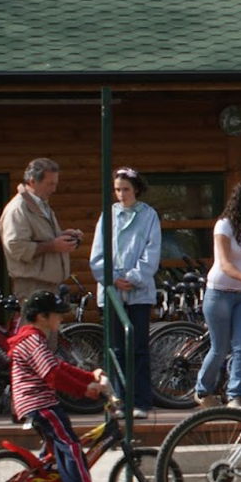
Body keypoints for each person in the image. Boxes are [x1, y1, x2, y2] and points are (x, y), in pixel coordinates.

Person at [9, 290, 111, 482]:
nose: (61, 318)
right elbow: (53, 375)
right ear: (42, 316)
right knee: (72, 446)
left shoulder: (34, 338)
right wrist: (84, 390)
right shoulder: (33, 341)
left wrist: (88, 376)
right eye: (57, 314)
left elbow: (60, 367)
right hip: (40, 404)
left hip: (34, 403)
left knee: (55, 452)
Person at [88, 167, 161, 418]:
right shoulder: (106, 216)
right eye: (117, 189)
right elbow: (97, 255)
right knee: (116, 349)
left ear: (136, 189)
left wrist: (133, 278)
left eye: (126, 189)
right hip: (111, 293)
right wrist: (113, 279)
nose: (121, 194)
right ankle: (119, 401)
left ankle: (141, 402)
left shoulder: (149, 215)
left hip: (139, 294)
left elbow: (152, 252)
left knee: (138, 347)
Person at [195, 179, 241, 408]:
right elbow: (225, 264)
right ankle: (202, 391)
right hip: (219, 293)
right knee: (219, 348)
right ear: (240, 199)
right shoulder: (224, 225)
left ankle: (234, 396)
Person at [0, 158, 82, 302]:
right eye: (49, 184)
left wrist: (63, 236)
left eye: (55, 184)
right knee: (34, 325)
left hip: (48, 285)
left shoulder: (41, 205)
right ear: (32, 182)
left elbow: (40, 237)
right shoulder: (18, 209)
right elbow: (16, 246)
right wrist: (53, 246)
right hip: (32, 286)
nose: (54, 189)